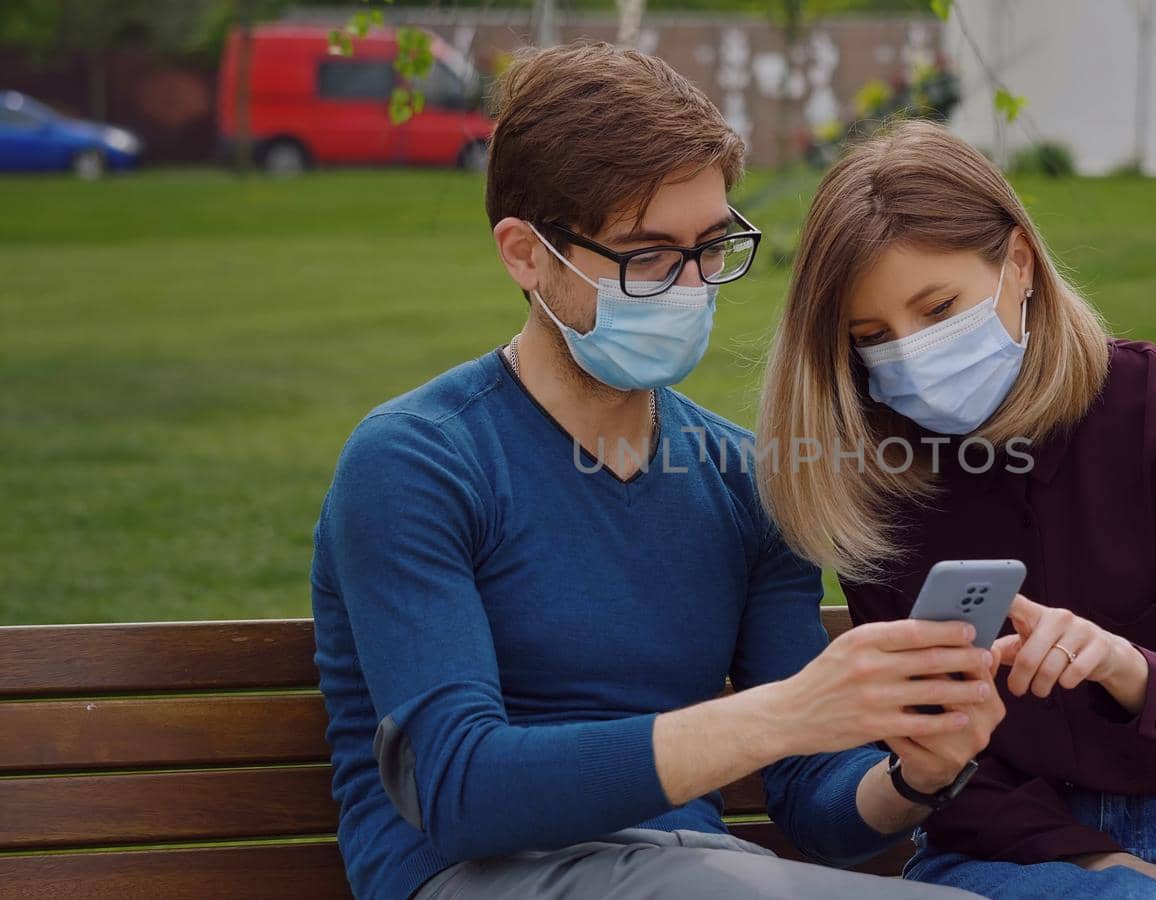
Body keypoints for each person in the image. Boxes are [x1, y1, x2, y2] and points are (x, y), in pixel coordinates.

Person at [309, 44, 1005, 900]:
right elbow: (460, 791)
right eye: (647, 256)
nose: (689, 286)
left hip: (695, 871)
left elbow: (814, 808)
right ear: (526, 255)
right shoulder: (415, 461)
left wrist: (915, 777)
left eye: (712, 247)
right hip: (479, 876)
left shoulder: (743, 481)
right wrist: (780, 715)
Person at [755, 119, 1156, 900]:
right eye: (872, 337)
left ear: (1018, 263)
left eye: (939, 308)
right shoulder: (875, 478)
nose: (912, 357)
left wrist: (1126, 668)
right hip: (1001, 851)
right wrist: (1099, 865)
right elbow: (942, 756)